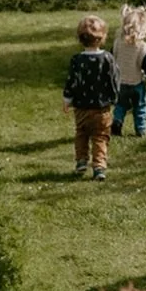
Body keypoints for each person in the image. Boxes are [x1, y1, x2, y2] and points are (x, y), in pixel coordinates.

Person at [62, 13, 120, 181]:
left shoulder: (77, 60)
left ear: (80, 38)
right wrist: (115, 97)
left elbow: (71, 81)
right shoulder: (108, 58)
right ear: (102, 38)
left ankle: (81, 160)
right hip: (102, 108)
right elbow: (114, 79)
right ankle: (99, 166)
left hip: (81, 107)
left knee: (81, 133)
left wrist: (67, 99)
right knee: (100, 136)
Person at [110, 4, 146, 138]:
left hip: (121, 82)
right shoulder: (142, 47)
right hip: (137, 83)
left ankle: (117, 122)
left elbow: (111, 59)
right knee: (140, 106)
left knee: (120, 105)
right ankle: (141, 129)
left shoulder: (117, 43)